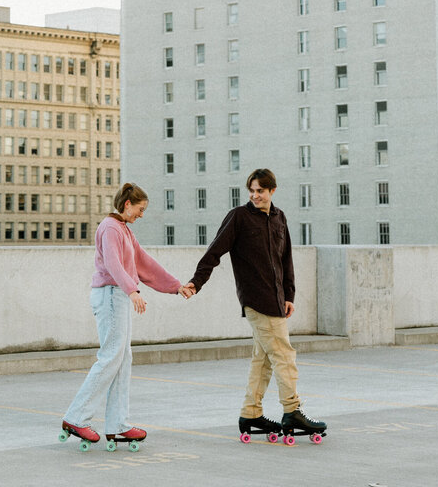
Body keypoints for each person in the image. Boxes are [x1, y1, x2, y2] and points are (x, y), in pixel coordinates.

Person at [184, 168, 328, 441]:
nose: (255, 195)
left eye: (260, 191)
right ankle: (292, 410)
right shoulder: (239, 217)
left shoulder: (279, 217)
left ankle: (251, 412)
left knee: (262, 360)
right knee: (284, 355)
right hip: (256, 298)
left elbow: (286, 260)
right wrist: (196, 282)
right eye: (251, 191)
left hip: (276, 299)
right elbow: (215, 250)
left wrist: (289, 295)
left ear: (272, 190)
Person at [60, 183, 193, 449]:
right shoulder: (110, 228)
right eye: (140, 209)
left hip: (117, 295)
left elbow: (143, 263)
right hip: (111, 295)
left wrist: (175, 286)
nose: (141, 215)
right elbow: (112, 263)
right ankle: (76, 417)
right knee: (111, 356)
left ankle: (118, 425)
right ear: (127, 204)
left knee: (122, 359)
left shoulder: (124, 230)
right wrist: (132, 291)